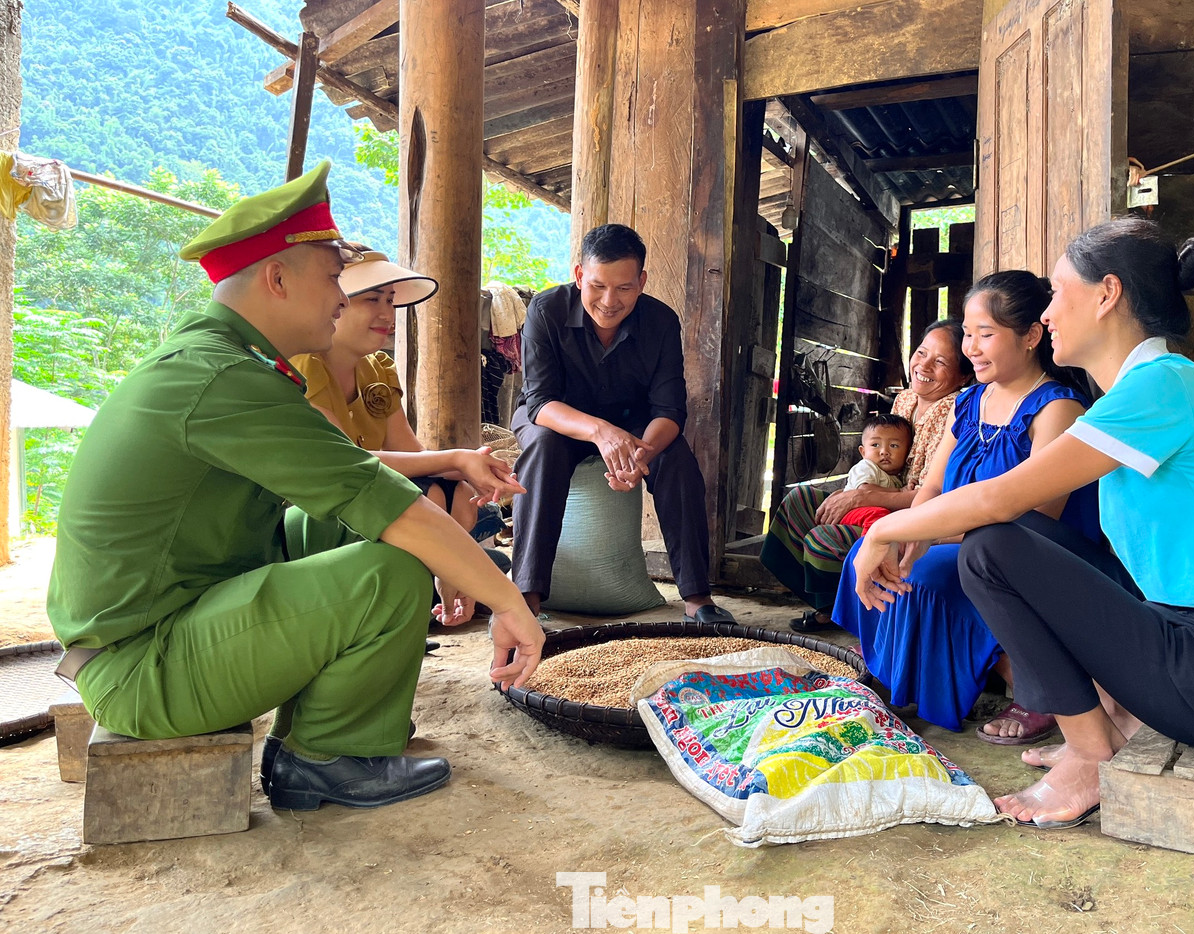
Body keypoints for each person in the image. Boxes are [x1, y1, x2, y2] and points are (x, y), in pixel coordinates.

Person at [47, 161, 546, 812]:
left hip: (157, 632)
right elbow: (393, 505)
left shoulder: (227, 362)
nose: (346, 297)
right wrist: (513, 606)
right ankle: (325, 756)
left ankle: (337, 729)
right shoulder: (223, 378)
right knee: (392, 567)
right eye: (336, 277)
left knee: (331, 524)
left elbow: (360, 480)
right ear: (277, 278)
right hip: (143, 670)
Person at [853, 217, 1194, 829]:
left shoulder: (1157, 390)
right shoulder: (1157, 388)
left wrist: (884, 530)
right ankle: (1106, 726)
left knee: (991, 547)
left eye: (1056, 293)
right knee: (1026, 540)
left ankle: (1092, 754)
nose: (1045, 314)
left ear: (1107, 294)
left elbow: (997, 501)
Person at [835, 270, 1112, 738]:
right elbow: (932, 488)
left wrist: (918, 534)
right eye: (967, 333)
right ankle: (894, 668)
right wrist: (907, 531)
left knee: (925, 575)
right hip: (965, 537)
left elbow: (1033, 527)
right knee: (875, 557)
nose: (971, 347)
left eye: (985, 334)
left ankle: (1040, 686)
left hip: (1031, 556)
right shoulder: (969, 402)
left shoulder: (1057, 408)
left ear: (1030, 336)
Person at [509, 223, 731, 622]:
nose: (609, 301)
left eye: (624, 288)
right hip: (557, 420)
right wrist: (600, 432)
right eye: (597, 286)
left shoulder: (661, 322)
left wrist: (640, 454)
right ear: (579, 276)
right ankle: (526, 600)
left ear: (641, 281)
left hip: (633, 424)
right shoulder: (546, 310)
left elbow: (670, 410)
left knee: (675, 457)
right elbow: (540, 401)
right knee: (542, 447)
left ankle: (698, 598)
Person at [289, 245, 510, 621]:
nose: (387, 313)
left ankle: (434, 586)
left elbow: (412, 455)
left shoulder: (378, 368)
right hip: (317, 516)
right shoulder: (303, 365)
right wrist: (456, 459)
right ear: (334, 303)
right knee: (436, 505)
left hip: (378, 506)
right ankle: (434, 585)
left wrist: (479, 470)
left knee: (462, 499)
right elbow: (349, 464)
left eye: (390, 300)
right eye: (371, 299)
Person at [760, 320, 974, 633]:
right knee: (799, 502)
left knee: (824, 541)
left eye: (940, 362)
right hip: (881, 496)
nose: (923, 365)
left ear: (964, 375)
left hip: (914, 514)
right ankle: (830, 606)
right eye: (921, 352)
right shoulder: (905, 399)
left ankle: (862, 614)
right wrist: (856, 490)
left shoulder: (954, 409)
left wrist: (864, 495)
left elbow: (933, 493)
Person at [837, 413, 915, 533]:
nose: (884, 452)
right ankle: (869, 547)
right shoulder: (867, 466)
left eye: (894, 445)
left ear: (908, 452)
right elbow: (865, 490)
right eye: (875, 445)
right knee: (878, 516)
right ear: (863, 452)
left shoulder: (896, 477)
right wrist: (900, 491)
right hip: (851, 512)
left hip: (866, 517)